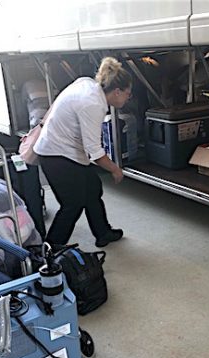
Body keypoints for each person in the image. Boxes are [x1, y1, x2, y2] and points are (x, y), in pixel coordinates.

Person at [35, 57, 132, 247]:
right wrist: (115, 169)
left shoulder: (88, 84)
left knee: (92, 188)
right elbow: (94, 151)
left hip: (65, 149)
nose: (129, 98)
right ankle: (51, 249)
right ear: (117, 91)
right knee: (73, 203)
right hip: (56, 155)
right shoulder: (92, 104)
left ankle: (102, 233)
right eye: (128, 94)